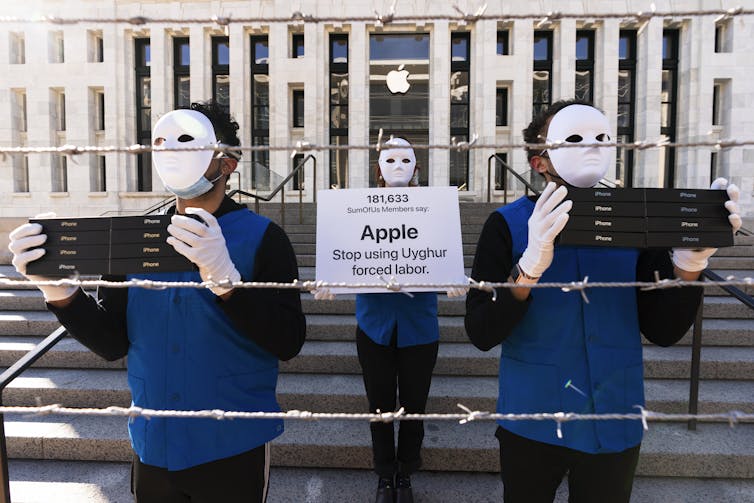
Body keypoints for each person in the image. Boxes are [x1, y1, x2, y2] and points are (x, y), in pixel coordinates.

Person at [8, 100, 306, 503]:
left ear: (228, 163)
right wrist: (60, 292)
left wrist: (229, 284)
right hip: (153, 444)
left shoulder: (265, 238)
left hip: (233, 444)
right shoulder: (134, 239)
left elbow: (288, 341)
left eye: (189, 143)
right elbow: (113, 342)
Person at [465, 99, 742, 503]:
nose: (589, 148)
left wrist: (689, 263)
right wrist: (527, 270)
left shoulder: (638, 224)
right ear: (539, 162)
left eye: (599, 139)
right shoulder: (505, 224)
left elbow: (663, 329)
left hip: (614, 414)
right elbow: (480, 330)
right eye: (572, 139)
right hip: (533, 416)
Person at [315, 137, 467, 503]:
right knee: (379, 406)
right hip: (374, 325)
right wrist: (334, 278)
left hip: (419, 326)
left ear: (417, 167)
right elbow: (349, 251)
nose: (398, 166)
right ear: (378, 169)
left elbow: (438, 252)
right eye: (390, 159)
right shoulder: (358, 210)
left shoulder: (435, 211)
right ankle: (385, 475)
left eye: (406, 160)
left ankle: (406, 473)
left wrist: (451, 276)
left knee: (415, 405)